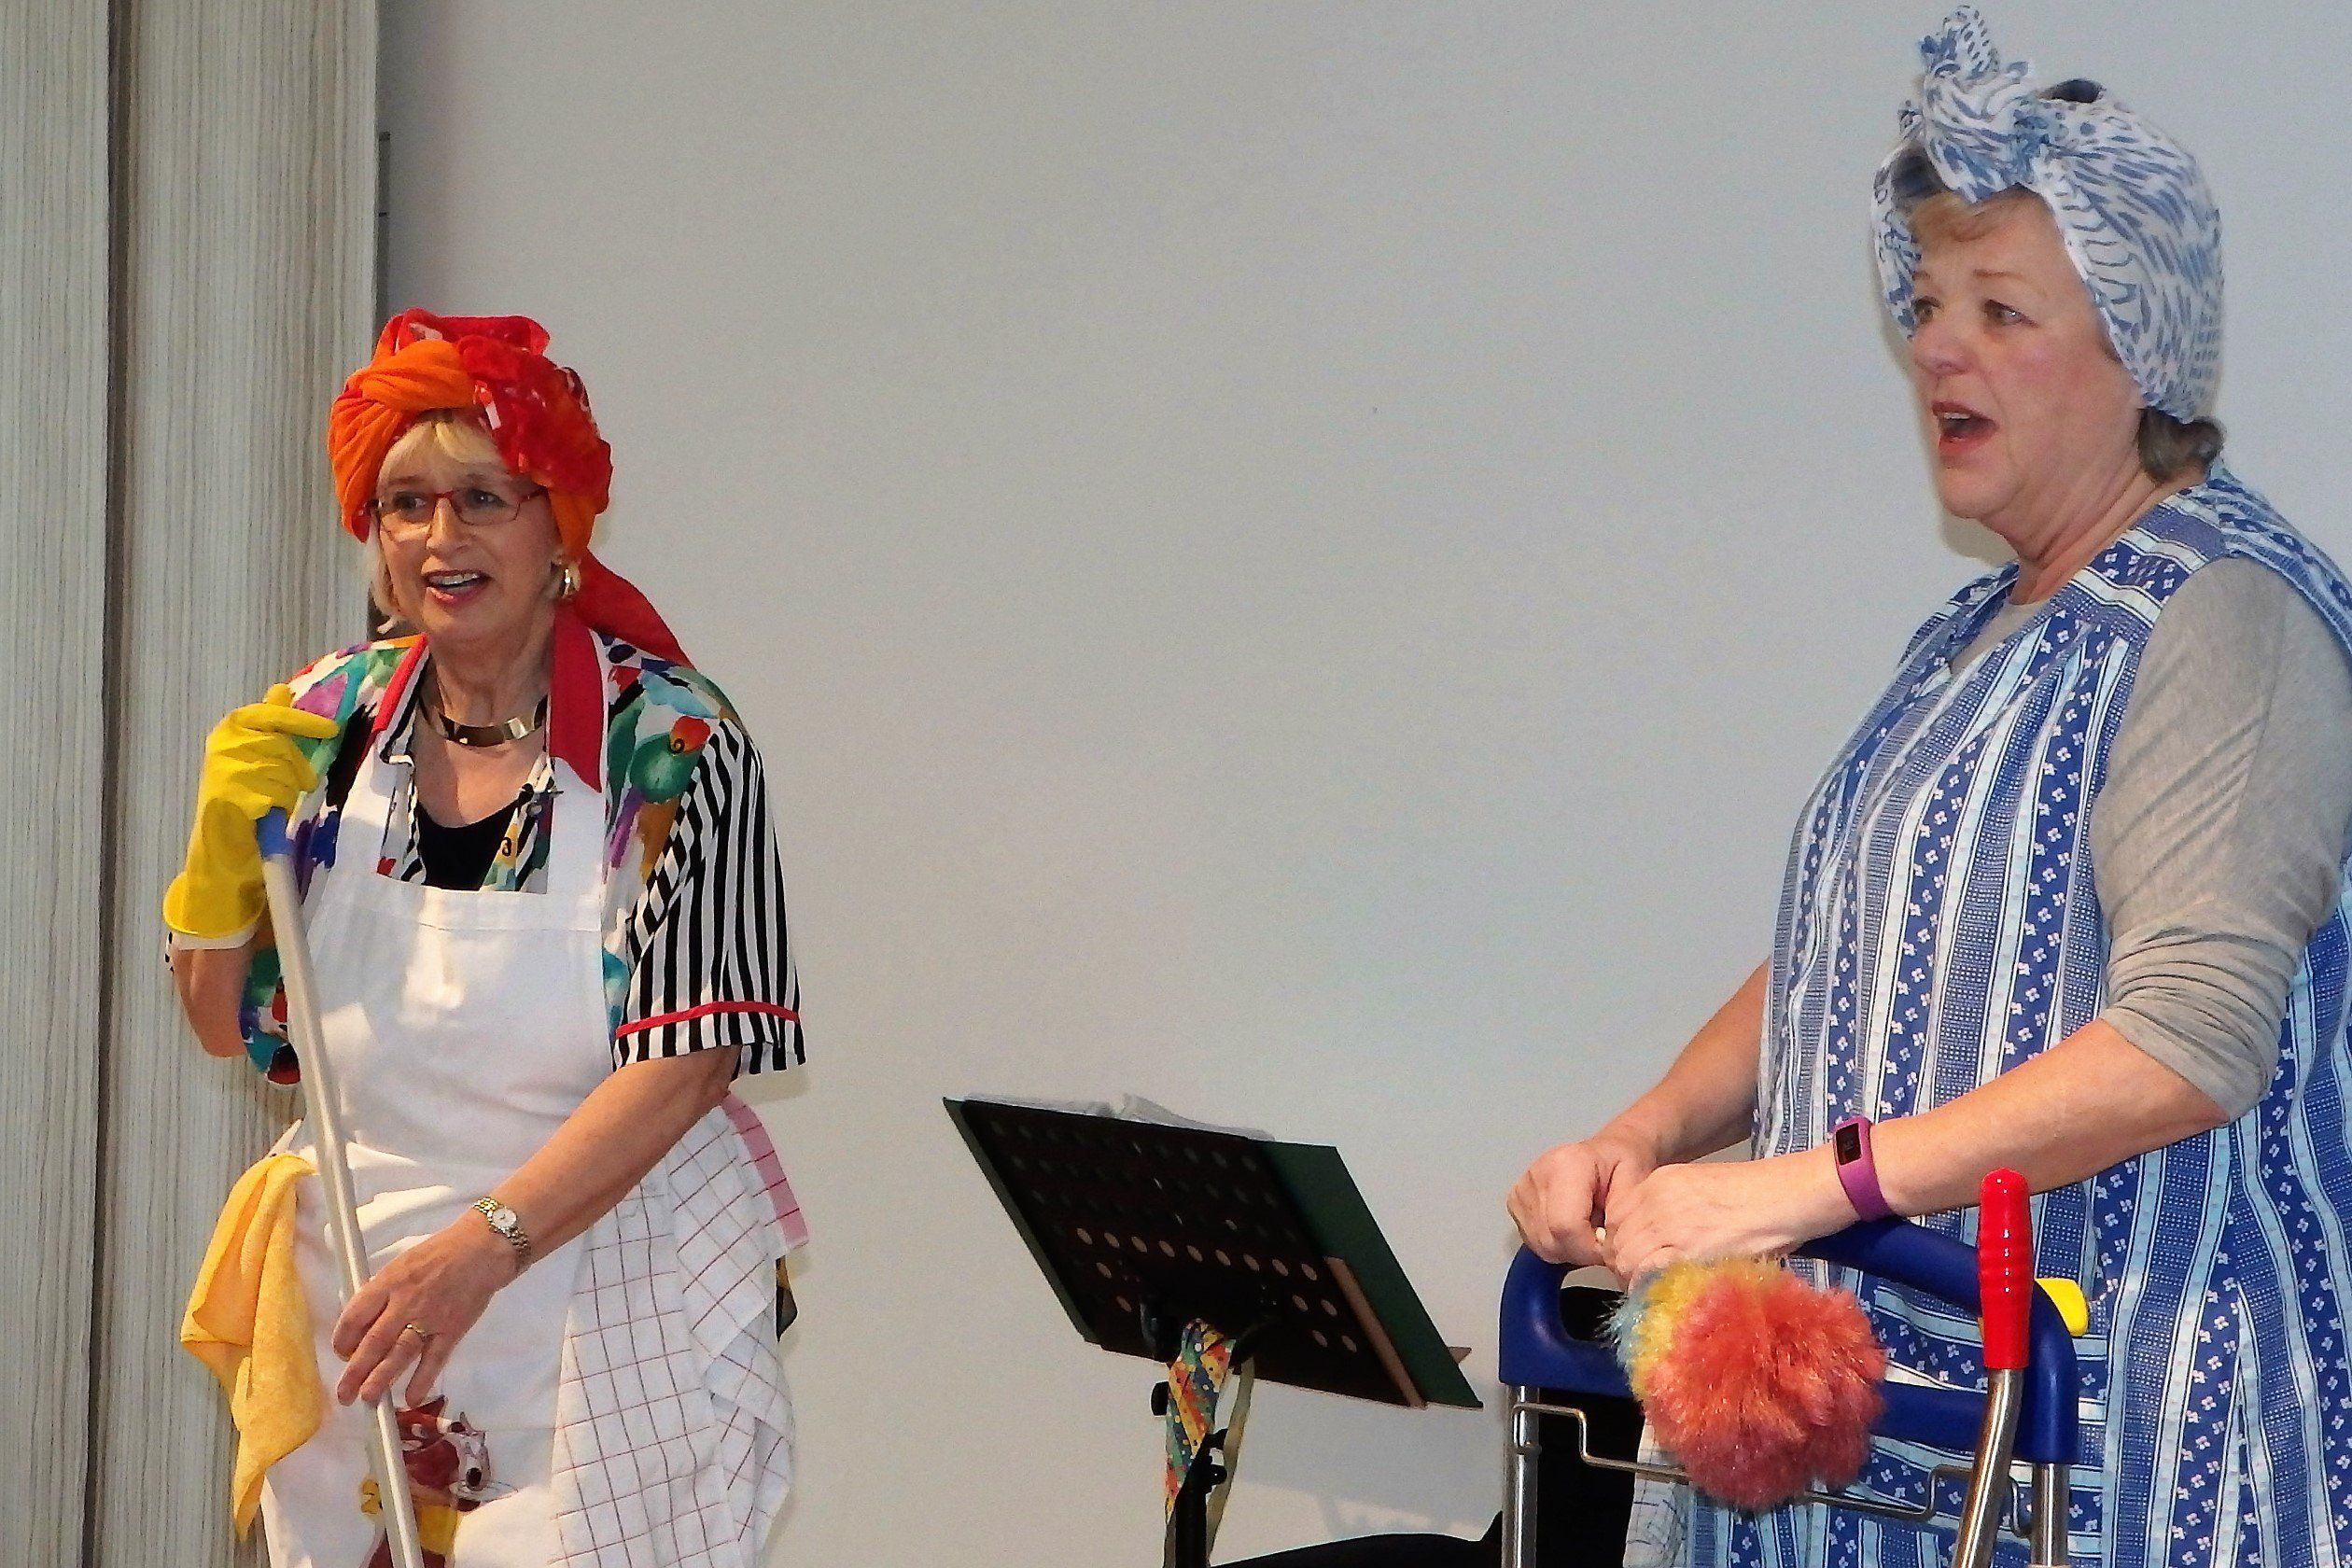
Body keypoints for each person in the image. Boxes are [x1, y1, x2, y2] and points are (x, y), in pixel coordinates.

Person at [1507, 11, 2352, 1567]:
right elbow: (1844, 953)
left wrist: (1805, 1189)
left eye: (2002, 310)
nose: (1937, 350)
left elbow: (2183, 1044)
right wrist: (1651, 1137)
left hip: (2119, 1454)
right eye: (1926, 305)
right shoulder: (1973, 632)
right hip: (1898, 1449)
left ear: (2142, 352)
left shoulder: (2225, 615)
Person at [169, 310, 807, 1567]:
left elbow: (691, 1062)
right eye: (406, 504)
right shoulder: (325, 720)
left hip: (602, 1288)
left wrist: (484, 1247)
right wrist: (211, 878)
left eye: (482, 499)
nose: (440, 538)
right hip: (360, 1292)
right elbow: (221, 1026)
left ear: (558, 529)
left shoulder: (673, 745)